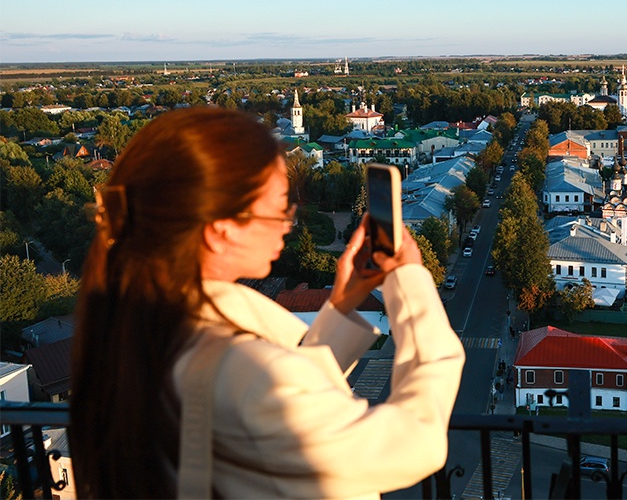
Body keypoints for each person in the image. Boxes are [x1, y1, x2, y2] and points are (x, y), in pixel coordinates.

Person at [70, 107, 465, 499]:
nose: (290, 221)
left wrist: (342, 304)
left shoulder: (139, 331)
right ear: (220, 230)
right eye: (279, 206)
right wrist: (410, 282)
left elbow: (279, 414)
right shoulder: (244, 370)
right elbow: (412, 444)